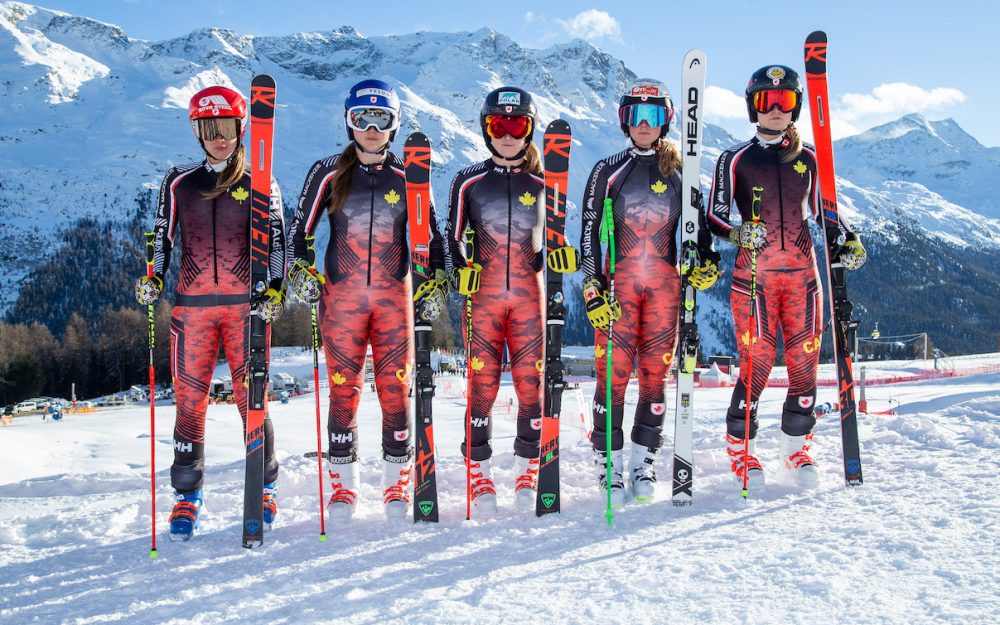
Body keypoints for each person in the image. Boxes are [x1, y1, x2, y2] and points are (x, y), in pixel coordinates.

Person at [286, 79, 447, 521]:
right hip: (342, 300)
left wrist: (435, 281)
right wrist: (300, 270)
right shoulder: (327, 172)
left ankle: (396, 486)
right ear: (349, 122)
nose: (371, 128)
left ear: (394, 125)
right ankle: (344, 487)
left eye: (381, 119)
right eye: (362, 118)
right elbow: (297, 231)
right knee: (344, 391)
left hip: (395, 299)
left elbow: (434, 240)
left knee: (396, 391)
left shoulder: (409, 175)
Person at [134, 85, 286, 541]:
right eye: (208, 128)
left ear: (242, 128)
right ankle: (187, 493)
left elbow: (277, 240)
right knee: (189, 400)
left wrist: (274, 288)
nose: (219, 138)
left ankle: (265, 485)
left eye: (227, 128)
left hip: (246, 308)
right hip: (193, 308)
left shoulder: (261, 178)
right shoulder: (180, 182)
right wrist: (154, 278)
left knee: (251, 399)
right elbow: (162, 237)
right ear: (198, 131)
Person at [707, 65, 867, 489]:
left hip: (803, 278)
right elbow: (713, 218)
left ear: (796, 107)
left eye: (786, 101)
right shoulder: (734, 160)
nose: (776, 109)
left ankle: (797, 447)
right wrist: (739, 232)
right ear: (752, 107)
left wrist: (846, 238)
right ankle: (742, 450)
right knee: (754, 366)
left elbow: (826, 212)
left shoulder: (811, 158)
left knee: (805, 363)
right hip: (754, 278)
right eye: (766, 101)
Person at [580, 79, 720, 506]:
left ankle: (644, 462)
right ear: (624, 120)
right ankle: (611, 466)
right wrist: (591, 286)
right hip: (618, 291)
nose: (644, 124)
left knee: (656, 380)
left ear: (666, 121)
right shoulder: (607, 169)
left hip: (664, 291)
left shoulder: (682, 172)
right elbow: (588, 234)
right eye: (636, 115)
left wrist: (707, 263)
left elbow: (702, 234)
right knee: (612, 380)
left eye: (654, 116)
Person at [445, 86, 547, 514]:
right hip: (483, 301)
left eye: (517, 124)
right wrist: (459, 269)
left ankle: (528, 468)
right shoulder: (468, 181)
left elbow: (556, 242)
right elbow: (449, 240)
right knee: (481, 388)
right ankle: (479, 474)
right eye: (498, 125)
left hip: (529, 298)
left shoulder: (544, 183)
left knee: (531, 387)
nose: (507, 133)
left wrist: (557, 258)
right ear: (486, 130)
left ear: (529, 130)